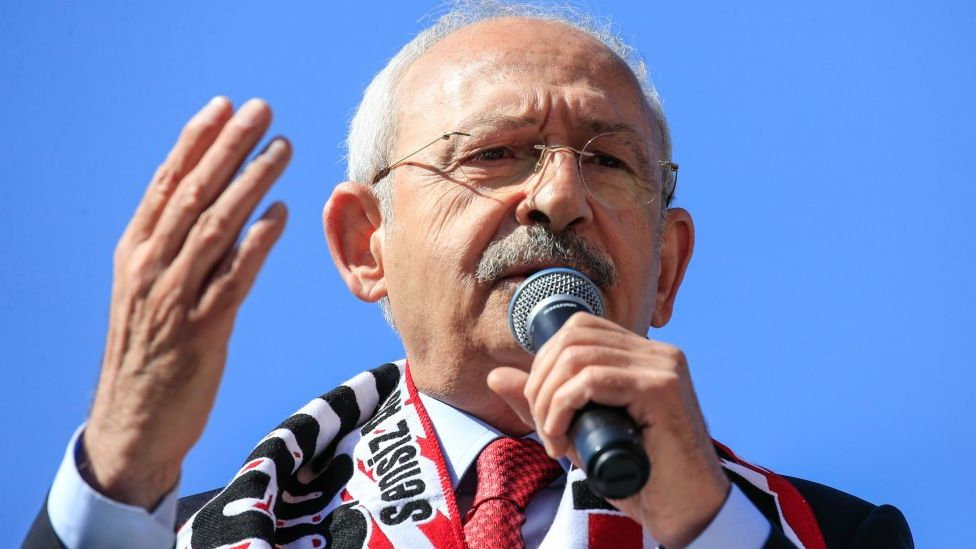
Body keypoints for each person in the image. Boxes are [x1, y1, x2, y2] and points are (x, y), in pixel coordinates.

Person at [25, 2, 913, 548]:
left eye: (608, 162)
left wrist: (702, 529)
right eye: (494, 153)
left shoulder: (825, 534)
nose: (559, 197)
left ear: (668, 267)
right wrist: (124, 463)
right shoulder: (185, 536)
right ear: (366, 244)